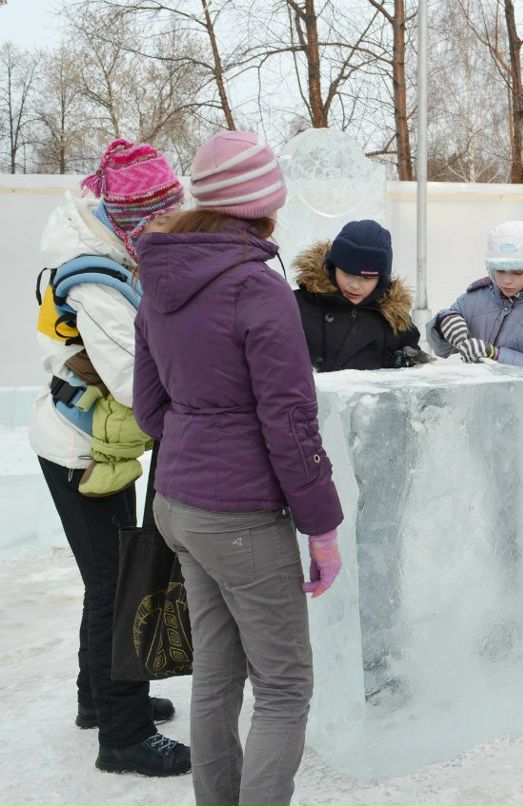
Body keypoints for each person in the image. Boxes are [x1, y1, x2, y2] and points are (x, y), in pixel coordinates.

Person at [133, 131, 344, 806]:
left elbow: (149, 408)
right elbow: (291, 423)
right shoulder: (256, 287)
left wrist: (200, 453)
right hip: (239, 521)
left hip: (178, 506)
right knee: (284, 688)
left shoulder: (157, 274)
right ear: (263, 205)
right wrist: (322, 528)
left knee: (217, 677)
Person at [30, 138, 189, 776]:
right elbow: (134, 384)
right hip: (80, 450)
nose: (170, 226)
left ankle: (97, 700)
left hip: (100, 444)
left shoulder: (115, 253)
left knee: (110, 579)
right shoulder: (97, 278)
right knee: (117, 585)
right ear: (131, 218)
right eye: (161, 217)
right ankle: (120, 737)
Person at [427, 220, 523, 375]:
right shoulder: (477, 298)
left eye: (517, 272)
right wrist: (443, 323)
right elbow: (441, 349)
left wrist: (495, 355)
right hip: (474, 397)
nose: (506, 280)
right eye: (500, 270)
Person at [293, 219, 428, 372]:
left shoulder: (395, 324)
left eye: (367, 278)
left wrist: (402, 363)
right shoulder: (295, 307)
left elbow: (419, 382)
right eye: (347, 273)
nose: (355, 285)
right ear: (332, 267)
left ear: (381, 280)